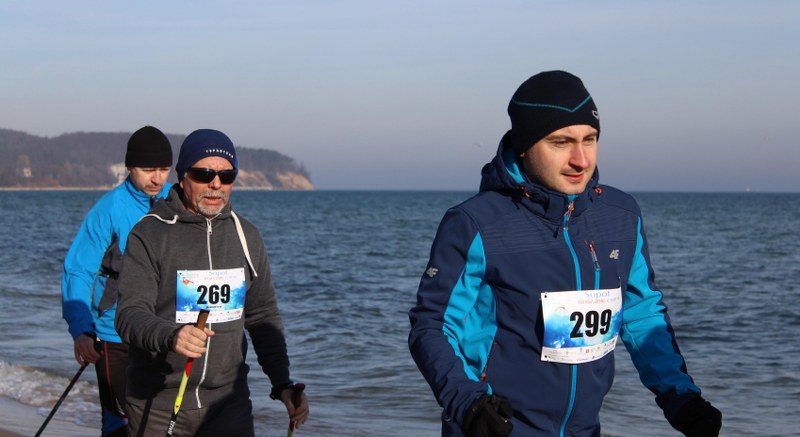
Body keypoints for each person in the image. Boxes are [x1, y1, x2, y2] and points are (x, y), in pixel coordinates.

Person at [408, 71, 722, 437]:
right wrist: (468, 402)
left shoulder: (621, 216)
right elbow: (432, 327)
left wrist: (680, 397)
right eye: (561, 142)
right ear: (524, 146)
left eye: (590, 139)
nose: (580, 160)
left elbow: (640, 313)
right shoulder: (475, 223)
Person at [115, 128, 309, 436]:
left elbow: (263, 317)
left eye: (226, 176)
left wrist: (282, 384)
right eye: (203, 174)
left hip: (228, 404)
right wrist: (172, 336)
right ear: (183, 177)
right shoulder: (149, 233)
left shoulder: (247, 236)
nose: (215, 184)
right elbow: (129, 315)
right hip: (158, 403)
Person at [61, 126, 173, 437]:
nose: (157, 179)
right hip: (114, 335)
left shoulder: (176, 201)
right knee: (121, 424)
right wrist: (81, 330)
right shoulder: (108, 209)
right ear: (130, 167)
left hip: (165, 333)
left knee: (163, 424)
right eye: (148, 170)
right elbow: (78, 271)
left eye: (164, 169)